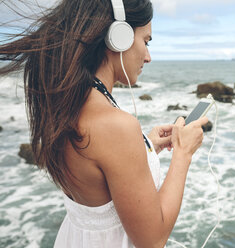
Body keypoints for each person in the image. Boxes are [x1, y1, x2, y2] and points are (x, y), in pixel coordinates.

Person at [0, 0, 208, 247]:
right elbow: (152, 240)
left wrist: (147, 145)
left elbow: (97, 177)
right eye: (146, 41)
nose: (149, 56)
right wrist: (183, 154)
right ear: (117, 37)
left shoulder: (65, 104)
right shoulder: (115, 125)